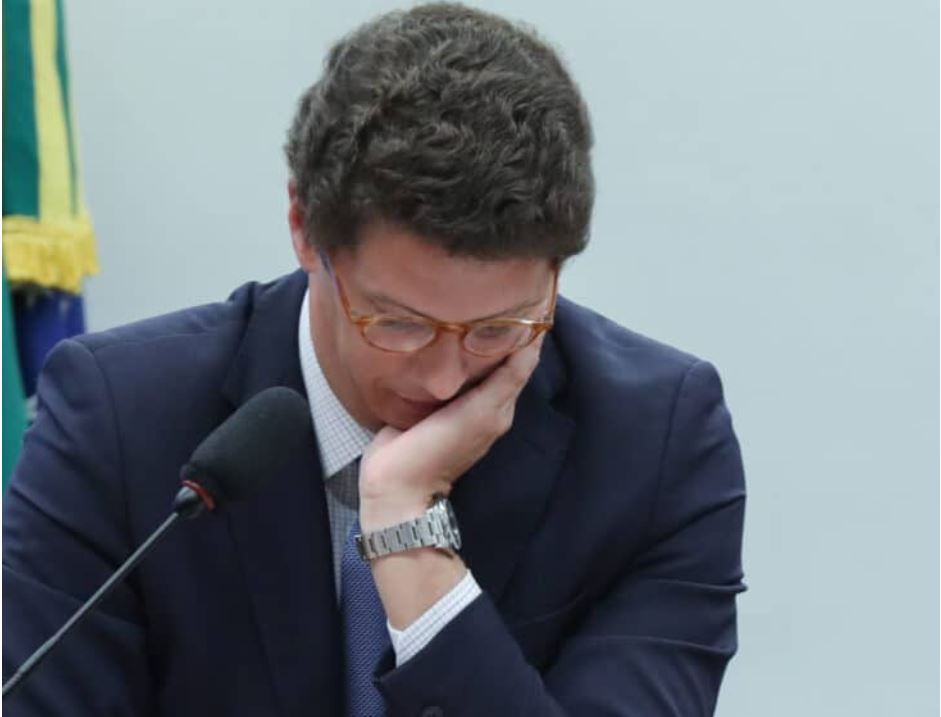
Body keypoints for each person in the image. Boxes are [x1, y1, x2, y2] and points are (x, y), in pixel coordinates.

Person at [2, 4, 746, 715]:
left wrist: (406, 531)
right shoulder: (119, 423)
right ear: (303, 229)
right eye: (398, 323)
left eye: (498, 328)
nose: (445, 378)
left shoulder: (654, 442)